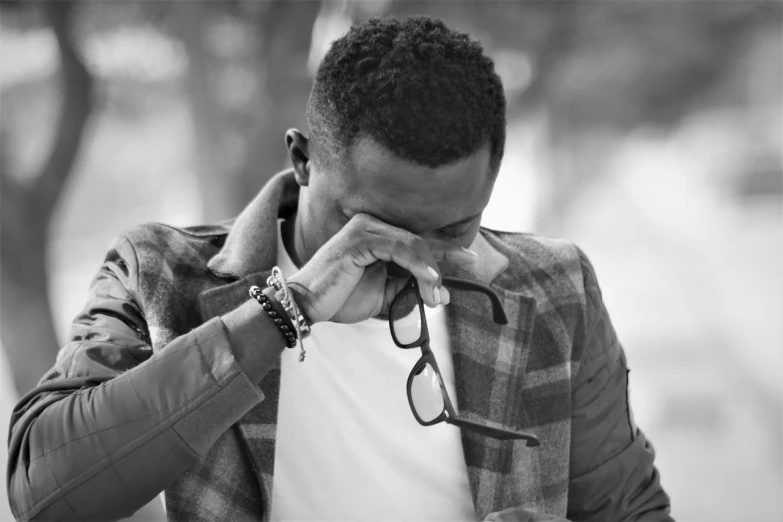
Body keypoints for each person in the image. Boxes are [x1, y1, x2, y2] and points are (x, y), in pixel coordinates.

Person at [6, 16, 673, 522]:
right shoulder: (162, 274)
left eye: (450, 230)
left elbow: (626, 510)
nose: (407, 256)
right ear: (302, 160)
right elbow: (45, 489)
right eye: (372, 227)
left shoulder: (552, 288)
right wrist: (281, 312)